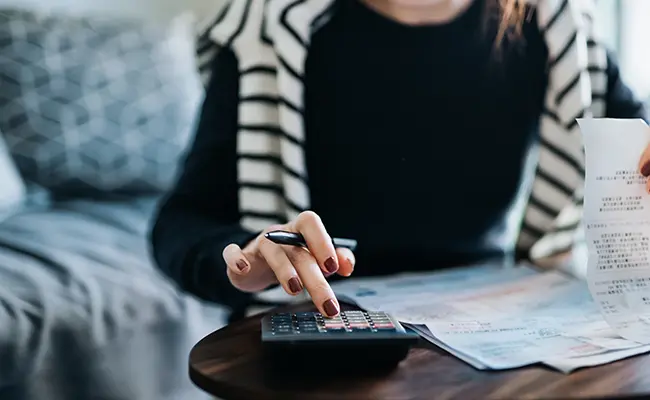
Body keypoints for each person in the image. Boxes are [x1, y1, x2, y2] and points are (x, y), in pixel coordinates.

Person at [150, 0, 647, 321]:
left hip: (489, 322)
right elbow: (181, 221)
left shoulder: (554, 30)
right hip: (321, 329)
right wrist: (247, 260)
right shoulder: (266, 33)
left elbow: (637, 136)